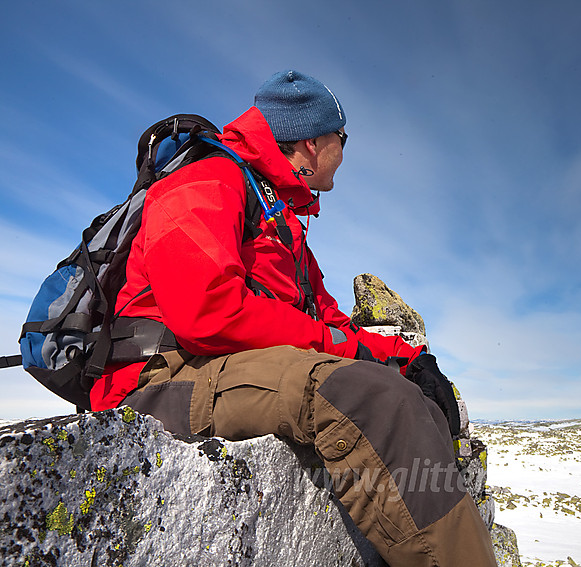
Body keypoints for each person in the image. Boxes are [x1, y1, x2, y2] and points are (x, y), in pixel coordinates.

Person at [89, 70, 498, 566]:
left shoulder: (279, 222)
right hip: (163, 376)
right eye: (341, 138)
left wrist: (409, 358)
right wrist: (358, 357)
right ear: (312, 141)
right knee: (371, 397)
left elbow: (328, 318)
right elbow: (207, 309)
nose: (345, 152)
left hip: (221, 369)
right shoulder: (206, 179)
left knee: (411, 396)